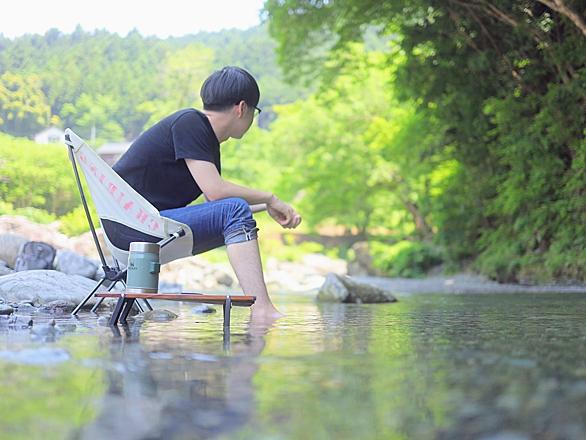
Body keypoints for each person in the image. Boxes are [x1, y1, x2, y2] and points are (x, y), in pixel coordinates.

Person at [113, 66, 301, 318]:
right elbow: (216, 193)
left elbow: (212, 205)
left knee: (234, 209)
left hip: (141, 227)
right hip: (134, 230)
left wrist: (265, 208)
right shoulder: (190, 122)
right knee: (233, 208)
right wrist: (270, 197)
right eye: (255, 112)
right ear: (242, 108)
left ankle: (262, 310)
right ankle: (263, 311)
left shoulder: (203, 137)